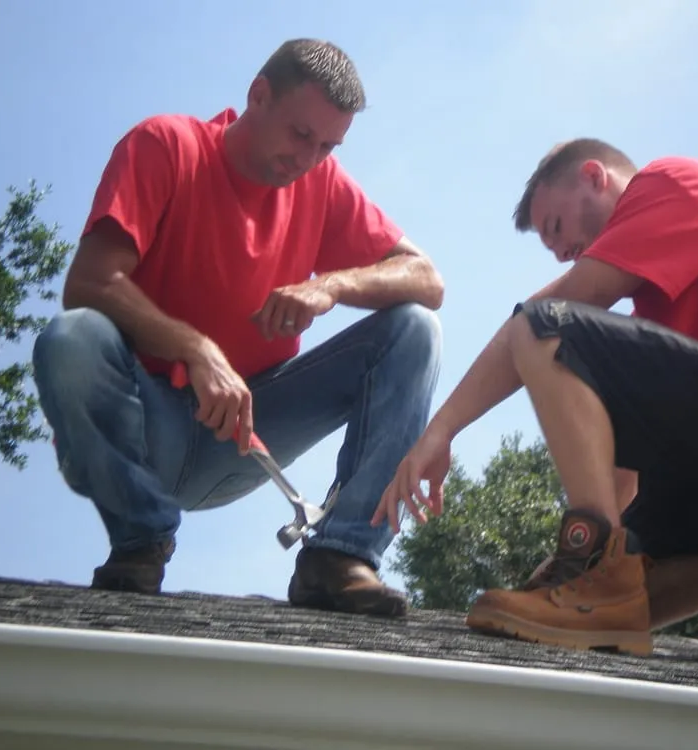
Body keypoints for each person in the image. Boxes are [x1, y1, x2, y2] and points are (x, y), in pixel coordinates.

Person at [374, 139, 698, 674]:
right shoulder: (661, 311)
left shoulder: (669, 183)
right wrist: (575, 576)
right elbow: (621, 469)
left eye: (557, 227)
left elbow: (548, 312)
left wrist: (442, 430)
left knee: (543, 325)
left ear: (595, 176)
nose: (563, 250)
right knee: (628, 587)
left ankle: (605, 579)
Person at [32, 38, 444, 618]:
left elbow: (428, 279)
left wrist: (331, 285)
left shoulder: (320, 183)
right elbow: (90, 284)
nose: (309, 158)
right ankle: (140, 541)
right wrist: (196, 349)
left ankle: (340, 555)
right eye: (302, 135)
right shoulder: (166, 146)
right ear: (258, 95)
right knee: (70, 338)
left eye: (328, 146)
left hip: (244, 439)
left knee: (415, 329)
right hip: (145, 427)